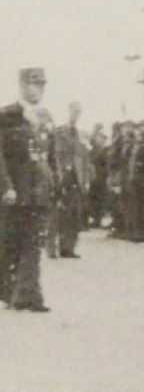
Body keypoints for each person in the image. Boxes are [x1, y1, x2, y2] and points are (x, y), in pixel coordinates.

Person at [0, 68, 52, 312]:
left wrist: (51, 184)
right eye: (33, 84)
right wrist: (6, 186)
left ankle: (30, 295)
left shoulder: (44, 117)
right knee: (9, 242)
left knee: (33, 243)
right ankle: (9, 291)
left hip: (37, 192)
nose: (38, 89)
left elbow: (46, 157)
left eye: (41, 85)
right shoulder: (7, 115)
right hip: (15, 192)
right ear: (21, 85)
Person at [51, 101, 89, 257]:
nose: (76, 115)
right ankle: (58, 246)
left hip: (76, 178)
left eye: (78, 113)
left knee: (75, 213)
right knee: (62, 213)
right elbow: (56, 155)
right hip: (64, 178)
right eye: (74, 112)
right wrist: (58, 175)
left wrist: (85, 180)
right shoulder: (60, 132)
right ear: (69, 111)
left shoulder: (81, 135)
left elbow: (84, 159)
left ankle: (70, 248)